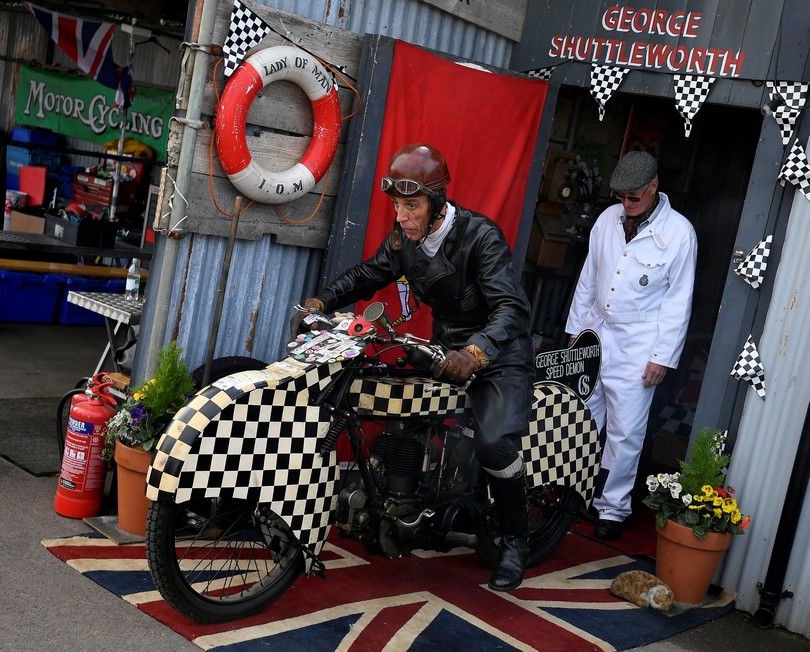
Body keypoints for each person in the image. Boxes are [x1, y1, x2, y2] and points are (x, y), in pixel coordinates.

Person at [296, 143, 537, 591]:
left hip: (500, 352)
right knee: (392, 395)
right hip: (447, 347)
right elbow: (368, 274)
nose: (402, 215)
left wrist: (477, 352)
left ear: (437, 201)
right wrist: (322, 300)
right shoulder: (404, 239)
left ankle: (516, 541)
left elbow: (511, 309)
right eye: (396, 205)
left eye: (412, 205)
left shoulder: (480, 237)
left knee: (493, 443)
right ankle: (405, 496)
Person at [565, 150, 697, 541]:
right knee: (580, 417)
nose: (626, 204)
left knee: (625, 432)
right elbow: (589, 277)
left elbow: (678, 300)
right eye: (621, 196)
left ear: (654, 187)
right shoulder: (608, 220)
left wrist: (662, 357)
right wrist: (576, 331)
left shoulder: (679, 233)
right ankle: (573, 494)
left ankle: (612, 509)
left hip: (640, 343)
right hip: (596, 332)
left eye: (634, 197)